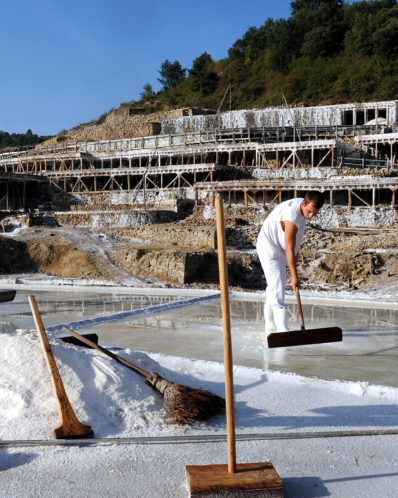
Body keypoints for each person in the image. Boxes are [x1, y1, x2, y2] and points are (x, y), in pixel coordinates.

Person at [256, 191, 324, 334]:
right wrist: (294, 277)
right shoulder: (291, 215)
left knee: (274, 286)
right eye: (310, 212)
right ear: (304, 204)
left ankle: (269, 327)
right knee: (277, 285)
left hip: (281, 247)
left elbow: (295, 248)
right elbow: (289, 249)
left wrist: (295, 274)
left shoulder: (304, 208)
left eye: (315, 214)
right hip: (268, 247)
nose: (311, 216)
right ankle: (281, 329)